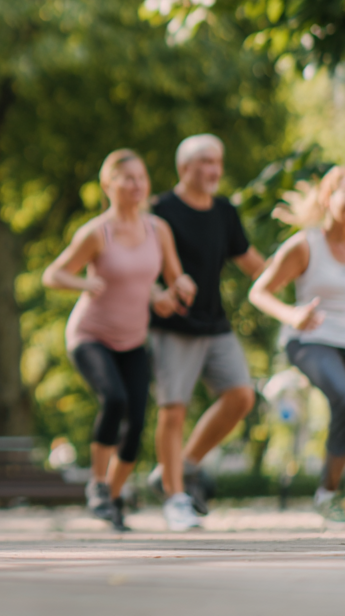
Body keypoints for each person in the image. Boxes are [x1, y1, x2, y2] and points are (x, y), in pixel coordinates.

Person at [43, 150, 195, 532]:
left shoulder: (158, 229)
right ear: (108, 185)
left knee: (138, 424)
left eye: (141, 177)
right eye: (126, 178)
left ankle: (111, 496)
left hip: (133, 339)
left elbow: (172, 276)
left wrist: (177, 287)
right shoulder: (97, 232)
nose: (136, 185)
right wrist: (83, 282)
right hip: (90, 336)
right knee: (115, 400)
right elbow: (53, 274)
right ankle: (97, 484)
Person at [147, 134, 265, 530]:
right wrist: (155, 294)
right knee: (174, 408)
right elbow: (136, 264)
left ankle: (180, 467)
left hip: (215, 324)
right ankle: (175, 497)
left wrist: (300, 276)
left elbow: (252, 263)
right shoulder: (159, 209)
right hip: (171, 326)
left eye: (217, 161)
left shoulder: (225, 211)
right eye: (205, 162)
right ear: (185, 168)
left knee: (241, 396)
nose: (214, 169)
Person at [249, 166, 345, 522]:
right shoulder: (305, 245)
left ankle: (329, 494)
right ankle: (328, 495)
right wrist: (292, 315)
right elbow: (258, 291)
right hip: (311, 339)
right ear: (328, 197)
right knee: (344, 395)